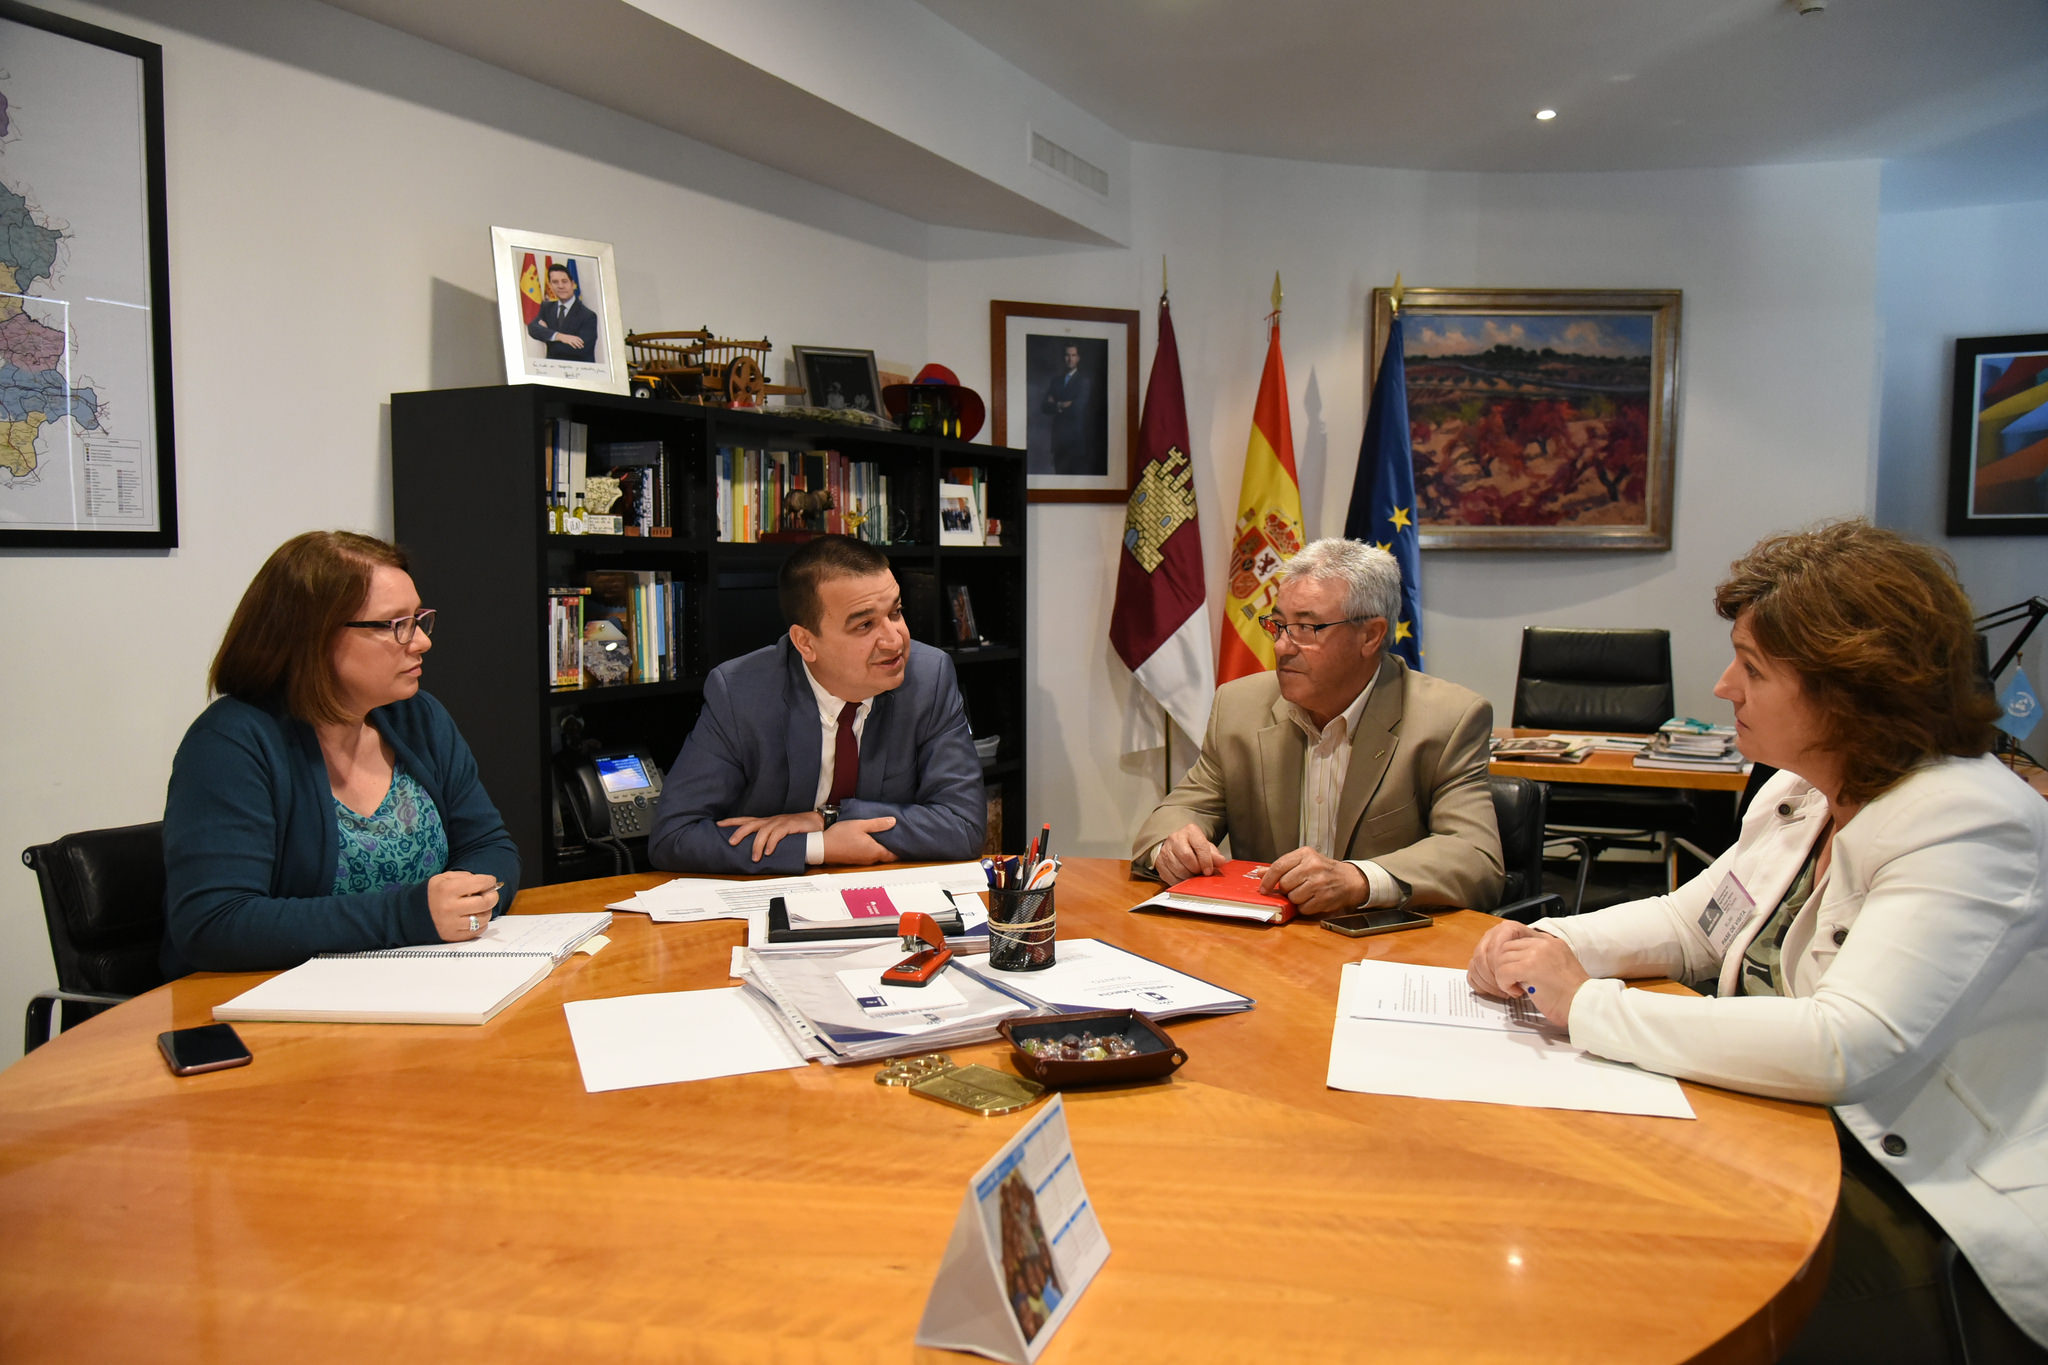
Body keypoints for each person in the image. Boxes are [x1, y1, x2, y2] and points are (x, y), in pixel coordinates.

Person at [1467, 520, 2048, 1360]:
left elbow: (1847, 1040)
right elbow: (1691, 924)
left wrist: (1584, 1002)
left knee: (1625, 1292)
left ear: (1851, 689)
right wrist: (1539, 941)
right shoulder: (1806, 792)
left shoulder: (1968, 820)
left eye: (1755, 666)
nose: (1724, 684)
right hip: (1785, 1136)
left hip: (1920, 1193)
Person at [161, 532, 518, 975]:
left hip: (425, 983)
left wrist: (471, 901)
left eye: (419, 619)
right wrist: (409, 916)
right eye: (395, 625)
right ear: (313, 636)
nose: (422, 642)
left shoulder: (418, 717)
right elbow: (215, 924)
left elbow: (489, 845)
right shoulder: (230, 743)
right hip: (276, 1009)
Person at [1131, 537, 1503, 915]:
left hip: (1380, 945)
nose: (1281, 647)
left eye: (1306, 629)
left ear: (1370, 635)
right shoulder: (1240, 706)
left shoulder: (1448, 718)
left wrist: (1357, 880)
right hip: (1265, 948)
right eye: (1278, 625)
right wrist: (1171, 847)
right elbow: (1176, 813)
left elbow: (1475, 858)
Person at [646, 534, 985, 874]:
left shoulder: (929, 676)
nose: (895, 639)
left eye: (895, 612)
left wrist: (827, 819)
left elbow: (963, 825)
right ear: (805, 643)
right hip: (770, 899)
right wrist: (819, 846)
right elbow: (674, 836)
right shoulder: (739, 693)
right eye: (865, 624)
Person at [1039, 342, 1094, 475]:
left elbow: (1077, 408)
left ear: (1078, 358)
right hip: (1059, 443)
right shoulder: (1056, 381)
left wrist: (1056, 403)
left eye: (1073, 355)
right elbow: (1045, 407)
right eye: (1067, 355)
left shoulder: (1083, 381)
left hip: (1076, 443)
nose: (1070, 359)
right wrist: (1062, 404)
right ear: (1064, 358)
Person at [527, 262, 598, 362]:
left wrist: (548, 337)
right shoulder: (546, 307)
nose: (560, 286)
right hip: (552, 371)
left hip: (579, 372)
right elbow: (532, 329)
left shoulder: (588, 315)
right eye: (555, 282)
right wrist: (560, 336)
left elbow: (580, 349)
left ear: (572, 284)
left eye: (564, 281)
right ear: (550, 285)